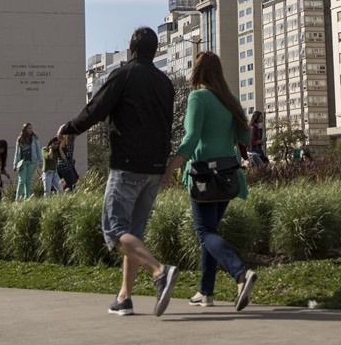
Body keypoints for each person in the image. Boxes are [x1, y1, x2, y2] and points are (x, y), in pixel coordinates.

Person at [57, 27, 178, 317]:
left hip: (127, 165)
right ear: (155, 49)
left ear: (131, 49)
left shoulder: (124, 75)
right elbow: (167, 124)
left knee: (114, 231)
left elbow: (96, 108)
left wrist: (70, 129)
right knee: (133, 235)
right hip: (154, 169)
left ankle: (159, 272)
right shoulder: (166, 83)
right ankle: (124, 297)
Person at [164, 52, 258, 312]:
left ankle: (240, 273)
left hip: (204, 177)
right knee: (210, 232)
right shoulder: (230, 100)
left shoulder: (198, 97)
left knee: (204, 232)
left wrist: (173, 166)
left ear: (197, 72)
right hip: (228, 176)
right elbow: (246, 137)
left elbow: (192, 136)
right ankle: (205, 292)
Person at [14, 123, 41, 200]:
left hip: (32, 161)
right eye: (29, 128)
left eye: (31, 128)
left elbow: (38, 149)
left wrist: (40, 161)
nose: (30, 130)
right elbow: (17, 152)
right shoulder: (20, 139)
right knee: (22, 180)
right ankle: (17, 199)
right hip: (22, 162)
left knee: (28, 181)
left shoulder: (34, 138)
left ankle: (27, 198)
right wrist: (15, 164)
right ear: (25, 129)